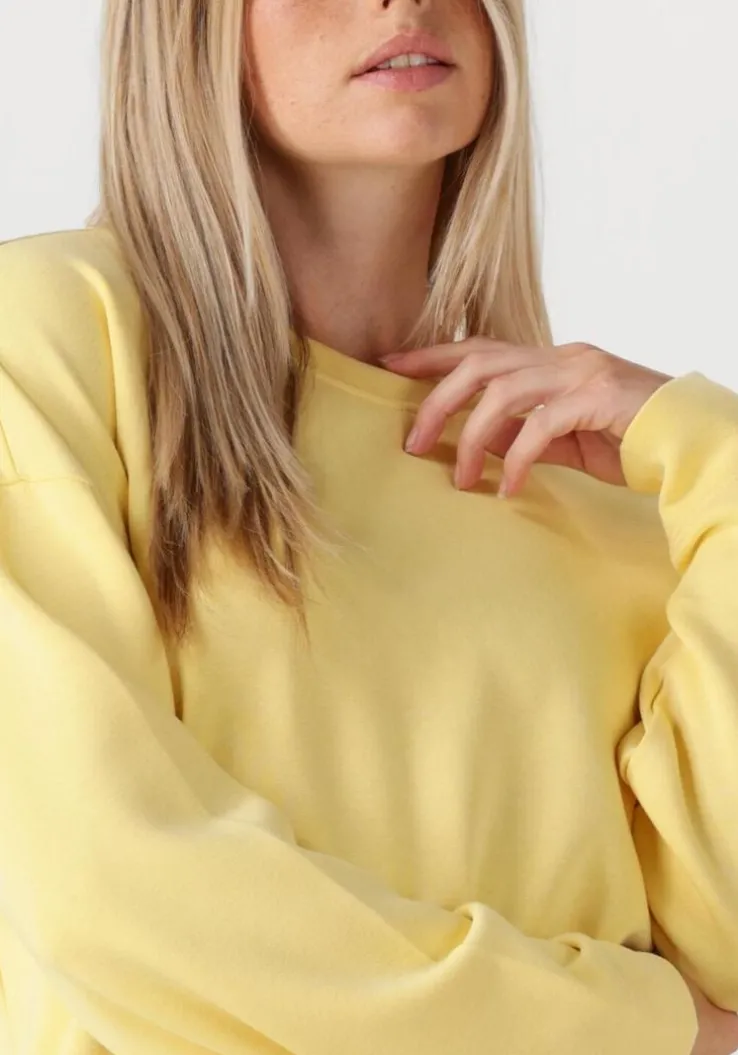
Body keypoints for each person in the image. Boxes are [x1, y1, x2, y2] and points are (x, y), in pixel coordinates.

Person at [0, 0, 736, 1053]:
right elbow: (104, 888)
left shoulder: (611, 488)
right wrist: (628, 1029)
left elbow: (718, 951)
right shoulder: (53, 344)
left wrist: (722, 463)